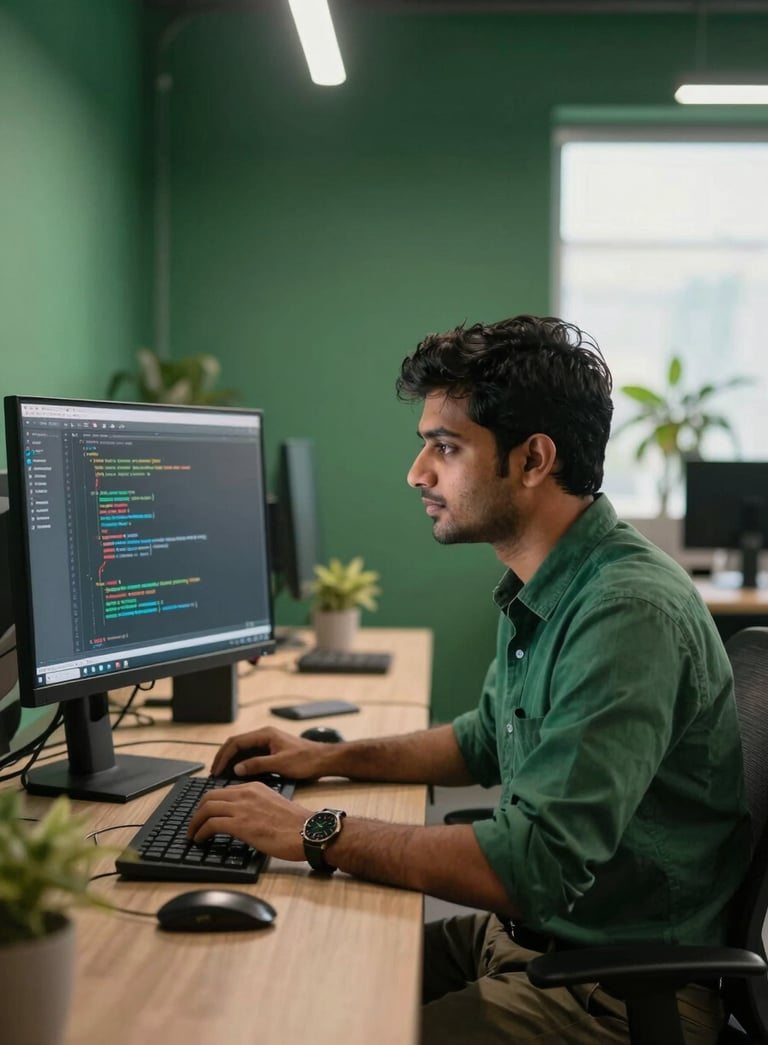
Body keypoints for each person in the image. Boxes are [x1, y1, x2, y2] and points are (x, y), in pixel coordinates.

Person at [188, 315, 750, 1045]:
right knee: (292, 979)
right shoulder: (546, 580)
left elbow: (534, 863)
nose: (418, 472)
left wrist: (313, 829)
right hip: (530, 941)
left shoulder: (626, 612)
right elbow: (485, 740)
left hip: (613, 991)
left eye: (445, 447)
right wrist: (321, 757)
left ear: (533, 459)